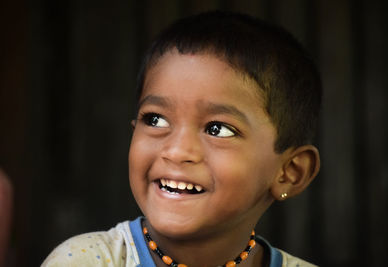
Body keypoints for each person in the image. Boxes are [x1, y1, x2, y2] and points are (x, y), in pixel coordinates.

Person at [42, 10, 321, 267]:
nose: (176, 151)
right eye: (155, 120)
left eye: (218, 129)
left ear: (289, 172)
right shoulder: (84, 261)